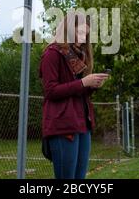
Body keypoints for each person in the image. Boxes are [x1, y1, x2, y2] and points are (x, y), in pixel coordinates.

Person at [38, 11, 109, 179]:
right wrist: (84, 82)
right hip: (63, 124)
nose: (84, 38)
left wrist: (92, 85)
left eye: (86, 34)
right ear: (68, 29)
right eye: (80, 32)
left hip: (82, 124)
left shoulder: (77, 56)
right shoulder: (52, 54)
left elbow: (77, 90)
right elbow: (51, 91)